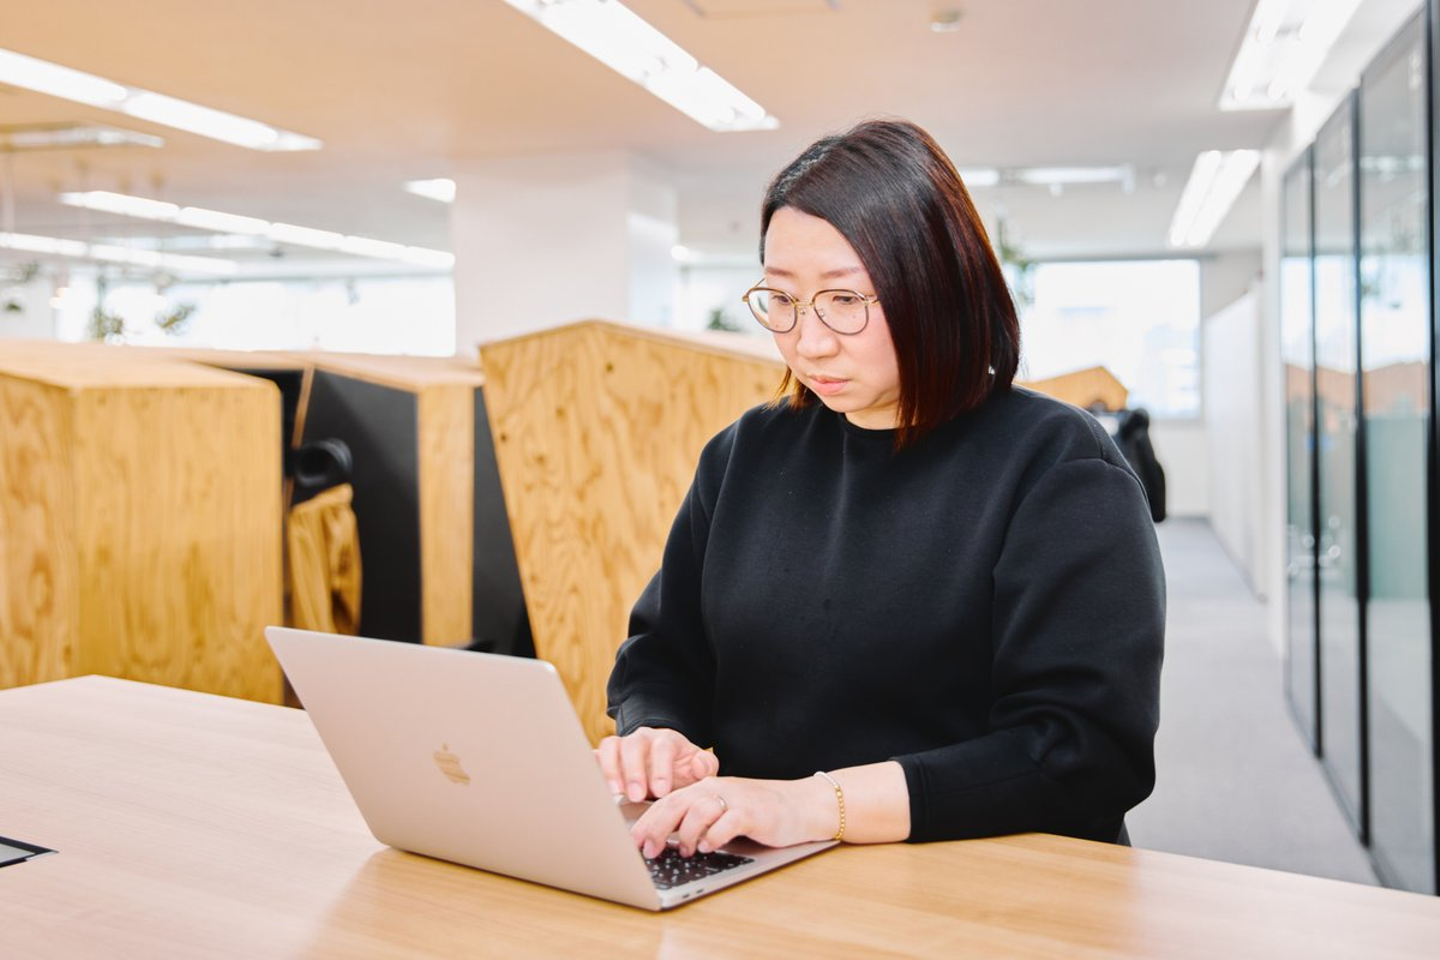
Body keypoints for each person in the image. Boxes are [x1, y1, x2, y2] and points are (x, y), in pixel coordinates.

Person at [598, 118, 1165, 862]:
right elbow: (662, 651)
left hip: (979, 877)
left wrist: (813, 805)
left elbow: (1081, 751)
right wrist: (656, 729)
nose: (808, 341)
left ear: (937, 288)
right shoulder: (746, 452)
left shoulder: (1056, 464)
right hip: (762, 862)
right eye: (782, 299)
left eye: (844, 300)